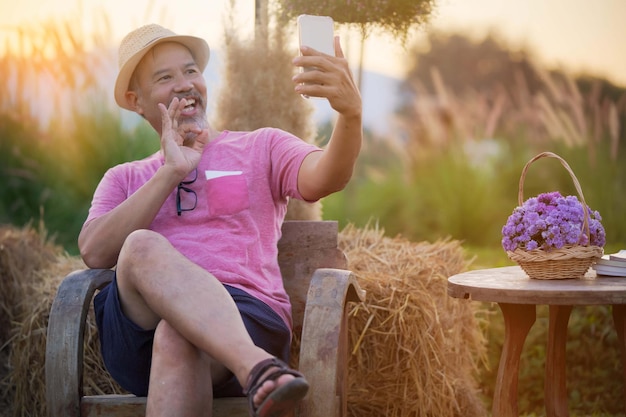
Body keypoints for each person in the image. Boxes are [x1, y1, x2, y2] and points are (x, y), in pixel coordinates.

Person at [78, 23, 361, 417]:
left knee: (178, 334)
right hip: (139, 334)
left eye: (191, 71)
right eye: (165, 77)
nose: (184, 84)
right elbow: (94, 251)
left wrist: (350, 116)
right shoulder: (124, 178)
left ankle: (253, 364)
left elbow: (327, 177)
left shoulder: (261, 146)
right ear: (135, 100)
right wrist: (170, 172)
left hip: (246, 315)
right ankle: (258, 369)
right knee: (139, 246)